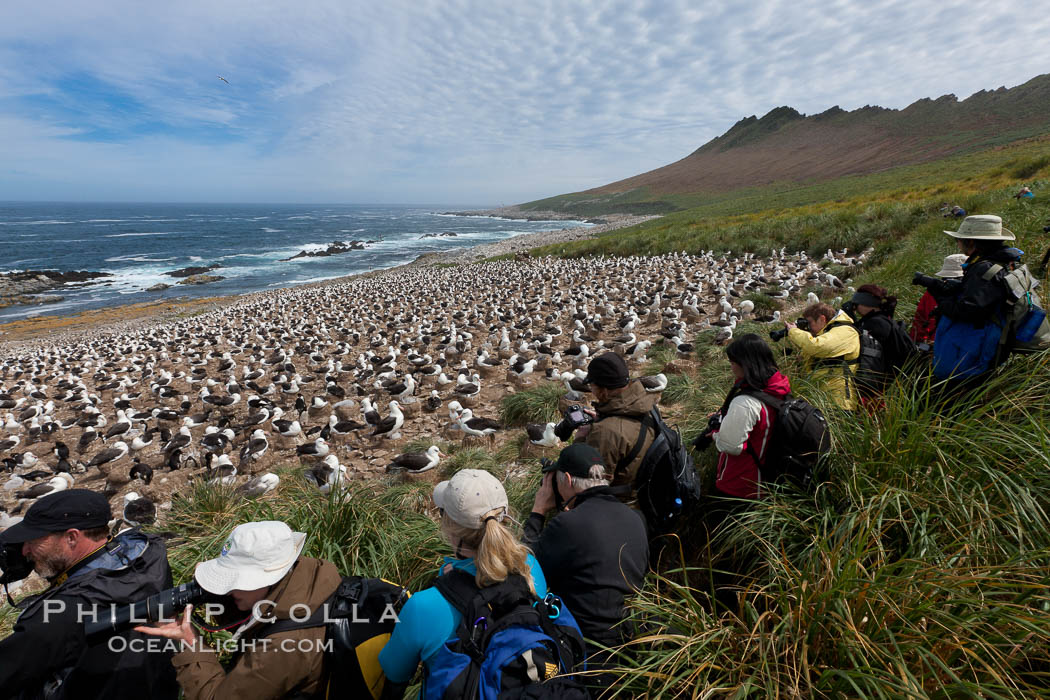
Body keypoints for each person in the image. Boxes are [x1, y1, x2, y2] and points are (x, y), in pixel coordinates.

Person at [0, 489, 178, 700]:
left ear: (72, 538)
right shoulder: (148, 555)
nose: (24, 550)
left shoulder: (59, 614)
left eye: (34, 539)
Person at [378, 469, 548, 688]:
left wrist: (449, 583)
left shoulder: (422, 606)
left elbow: (394, 672)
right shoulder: (530, 568)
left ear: (450, 529)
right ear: (504, 519)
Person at [137, 520, 343, 700]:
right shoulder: (307, 574)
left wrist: (190, 644)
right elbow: (259, 612)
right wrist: (212, 593)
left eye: (237, 580)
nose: (229, 590)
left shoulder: (283, 648)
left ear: (271, 576)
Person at [522, 444, 648, 689]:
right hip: (632, 646)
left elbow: (524, 568)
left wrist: (537, 512)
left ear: (567, 479)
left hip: (585, 652)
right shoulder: (636, 518)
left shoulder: (567, 525)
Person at [913, 215, 1024, 389]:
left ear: (971, 242)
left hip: (975, 349)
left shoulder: (984, 268)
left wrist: (941, 299)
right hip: (997, 339)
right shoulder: (1005, 262)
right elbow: (987, 295)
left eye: (959, 239)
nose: (958, 242)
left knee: (953, 389)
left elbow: (967, 310)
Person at [695, 334, 791, 503]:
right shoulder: (778, 386)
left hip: (743, 484)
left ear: (746, 364)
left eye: (733, 362)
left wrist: (717, 433)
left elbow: (730, 446)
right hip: (770, 476)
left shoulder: (745, 403)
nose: (731, 367)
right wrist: (729, 417)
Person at [553, 352, 659, 499]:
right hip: (648, 491)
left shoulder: (606, 433)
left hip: (623, 505)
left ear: (604, 390)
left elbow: (588, 485)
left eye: (592, 386)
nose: (592, 391)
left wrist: (580, 440)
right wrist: (607, 419)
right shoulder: (648, 408)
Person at [785, 302, 861, 411]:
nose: (809, 327)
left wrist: (793, 332)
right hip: (823, 400)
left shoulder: (845, 331)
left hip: (839, 403)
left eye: (809, 322)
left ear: (822, 319)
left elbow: (816, 346)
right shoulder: (827, 333)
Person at [910, 254, 966, 345]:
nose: (949, 282)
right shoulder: (931, 294)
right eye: (946, 278)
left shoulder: (970, 297)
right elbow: (919, 321)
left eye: (955, 279)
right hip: (936, 346)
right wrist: (918, 343)